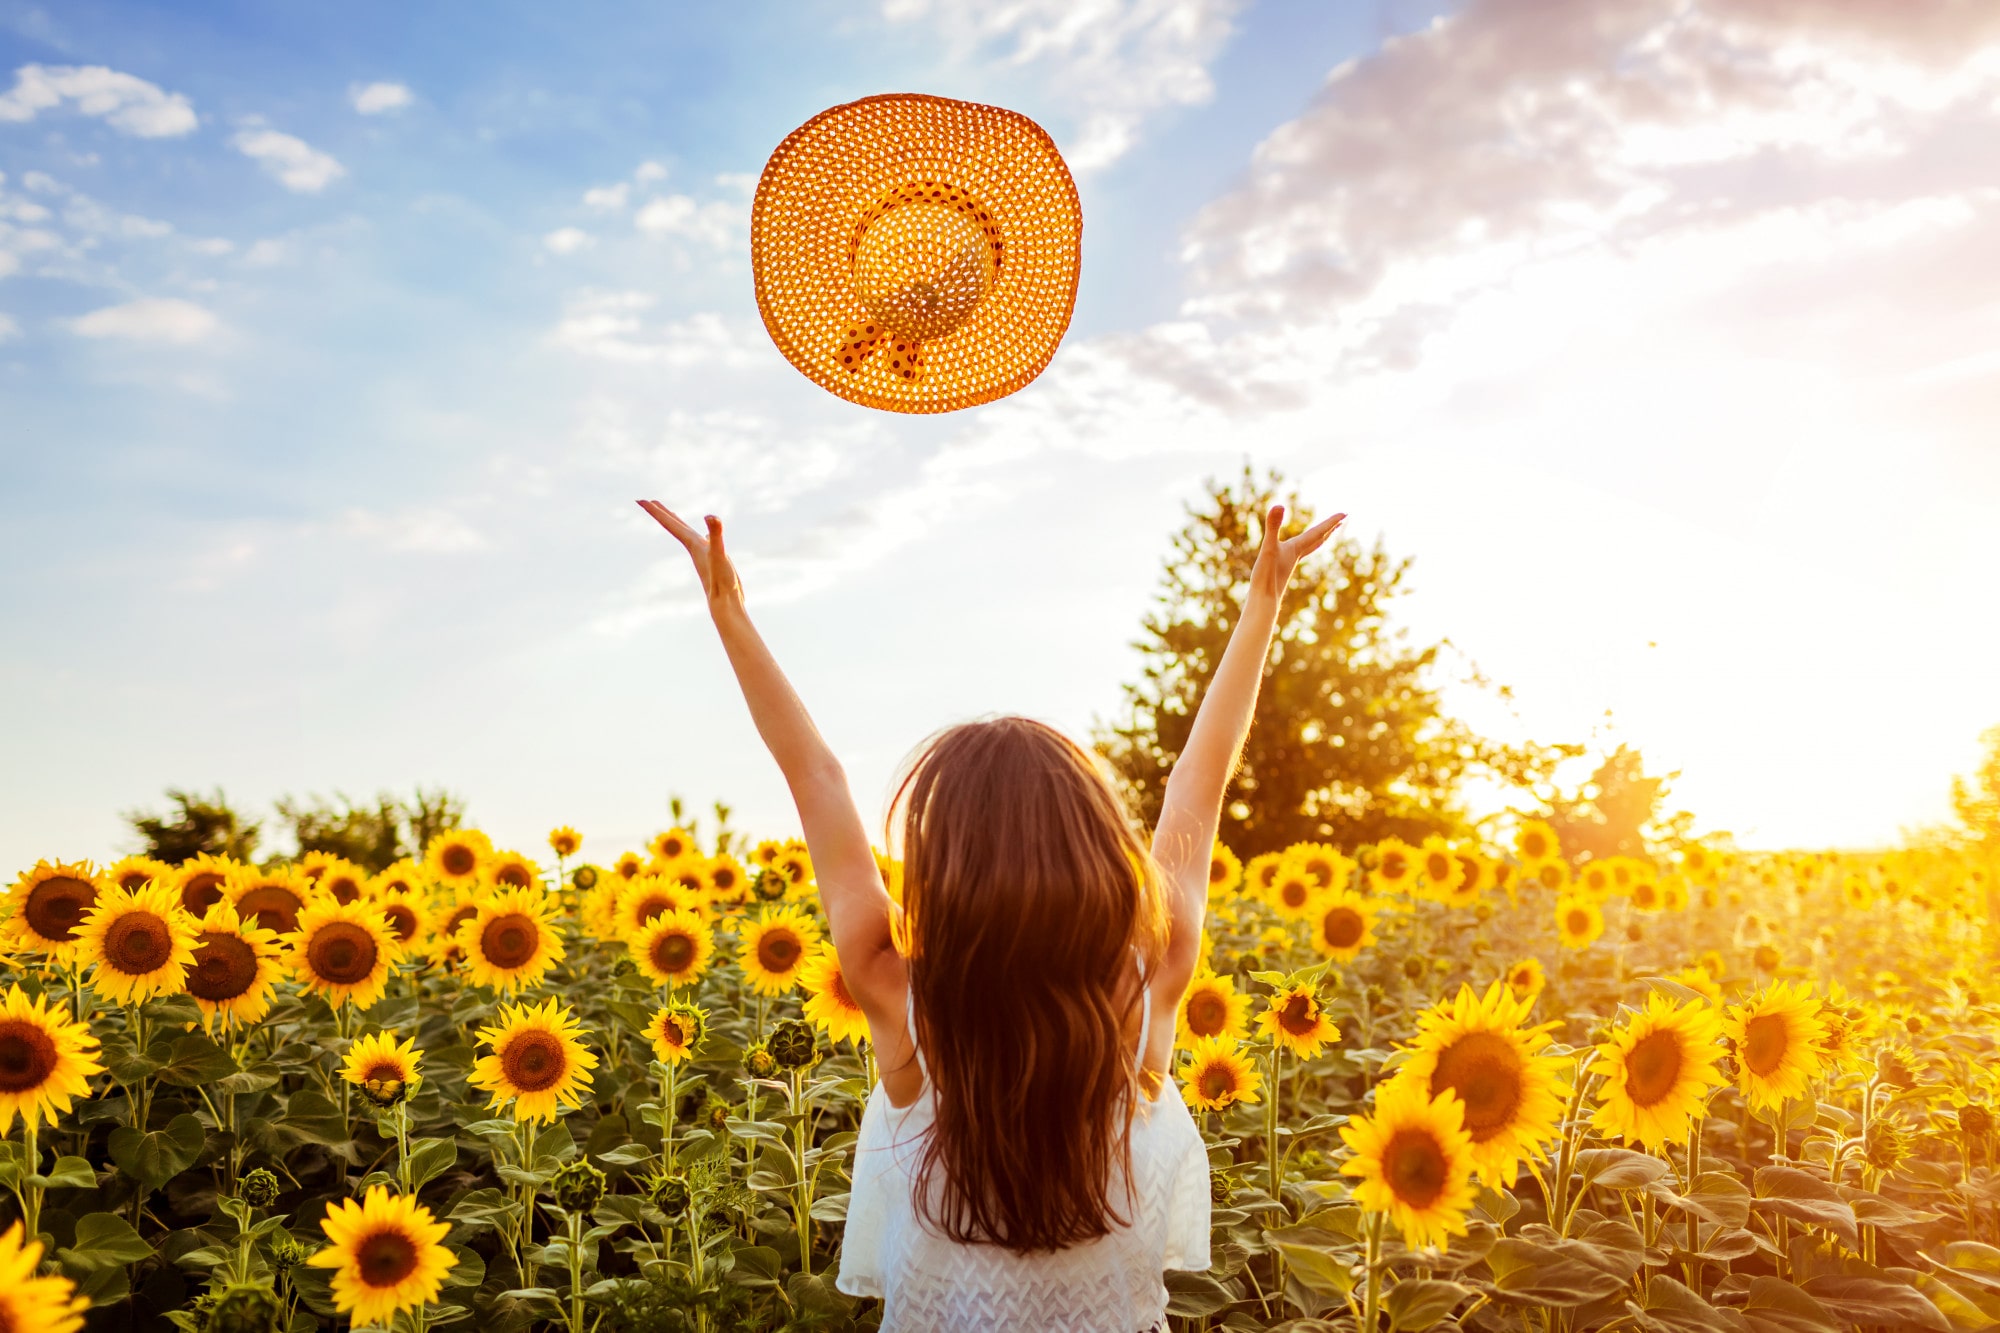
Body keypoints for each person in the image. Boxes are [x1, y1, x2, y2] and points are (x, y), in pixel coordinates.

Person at [639, 497, 1346, 1332]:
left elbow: (816, 778)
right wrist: (1263, 603)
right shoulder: (1140, 995)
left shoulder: (906, 1007)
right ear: (1095, 860)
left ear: (946, 876)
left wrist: (730, 614)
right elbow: (1200, 781)